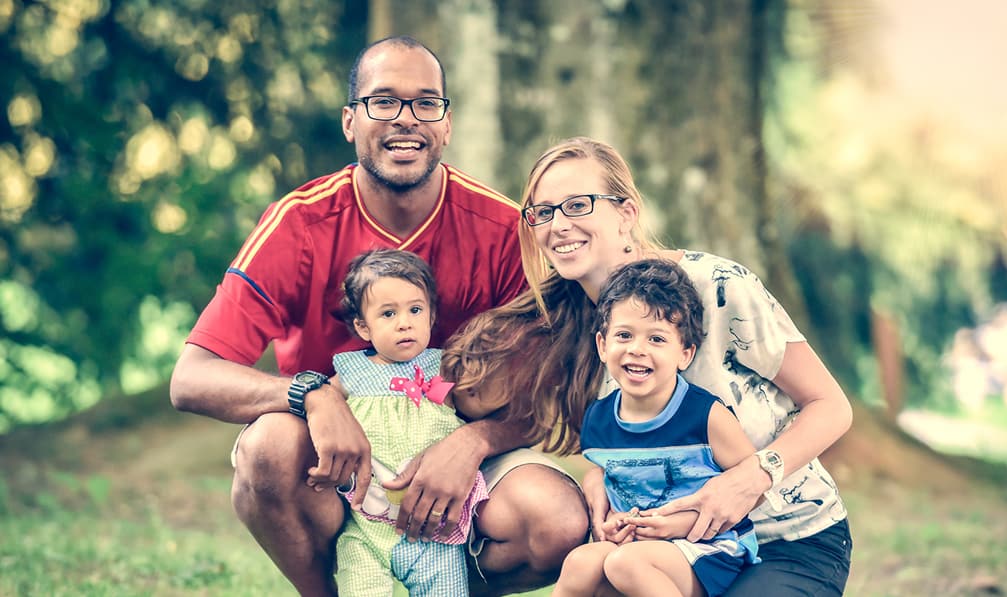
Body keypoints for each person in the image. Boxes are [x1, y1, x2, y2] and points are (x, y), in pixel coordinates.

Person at [169, 36, 588, 596]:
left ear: (446, 123)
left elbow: (550, 386)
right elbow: (192, 376)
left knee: (557, 523)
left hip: (460, 474)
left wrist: (474, 442)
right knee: (267, 448)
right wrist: (313, 396)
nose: (405, 120)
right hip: (338, 470)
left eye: (425, 103)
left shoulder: (503, 229)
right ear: (350, 120)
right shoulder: (299, 224)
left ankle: (436, 586)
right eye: (384, 101)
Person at [506, 136, 853, 596]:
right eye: (543, 212)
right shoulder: (579, 334)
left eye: (577, 205)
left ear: (626, 214)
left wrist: (749, 479)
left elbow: (832, 406)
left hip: (786, 540)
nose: (558, 225)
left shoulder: (716, 288)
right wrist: (600, 485)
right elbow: (627, 445)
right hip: (663, 555)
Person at [552, 259, 760, 597]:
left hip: (708, 546)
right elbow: (607, 479)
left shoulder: (705, 415)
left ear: (685, 353)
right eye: (624, 335)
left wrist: (674, 525)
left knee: (626, 564)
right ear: (603, 345)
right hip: (638, 544)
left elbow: (752, 487)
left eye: (657, 339)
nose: (637, 348)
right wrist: (614, 522)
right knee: (582, 562)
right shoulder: (599, 419)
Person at [327, 249, 488, 596]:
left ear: (431, 317)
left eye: (415, 310)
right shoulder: (350, 373)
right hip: (365, 527)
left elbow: (482, 408)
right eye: (388, 313)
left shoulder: (445, 367)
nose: (404, 322)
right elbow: (323, 413)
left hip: (434, 526)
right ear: (362, 327)